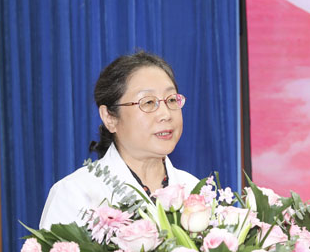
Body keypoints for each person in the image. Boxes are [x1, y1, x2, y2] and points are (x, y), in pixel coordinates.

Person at [39, 51, 199, 229]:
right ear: (109, 118)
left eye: (171, 100)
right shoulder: (76, 196)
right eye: (148, 102)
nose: (165, 114)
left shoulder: (196, 193)